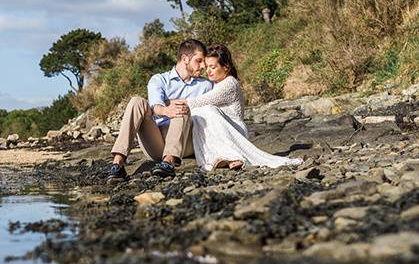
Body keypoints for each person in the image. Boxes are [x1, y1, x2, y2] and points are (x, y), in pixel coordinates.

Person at [172, 45, 302, 172]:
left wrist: (169, 104)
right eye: (207, 67)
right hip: (221, 128)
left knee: (205, 109)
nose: (208, 71)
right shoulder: (216, 83)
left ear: (226, 67)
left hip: (235, 129)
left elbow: (199, 101)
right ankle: (225, 158)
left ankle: (232, 156)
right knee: (201, 113)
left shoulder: (230, 83)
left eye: (212, 67)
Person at [107, 39, 212, 181]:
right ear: (185, 58)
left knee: (180, 109)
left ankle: (169, 163)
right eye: (199, 61)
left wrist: (173, 105)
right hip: (157, 141)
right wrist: (165, 110)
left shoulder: (206, 85)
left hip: (185, 140)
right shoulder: (159, 80)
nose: (203, 66)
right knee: (136, 101)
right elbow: (155, 106)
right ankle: (117, 163)